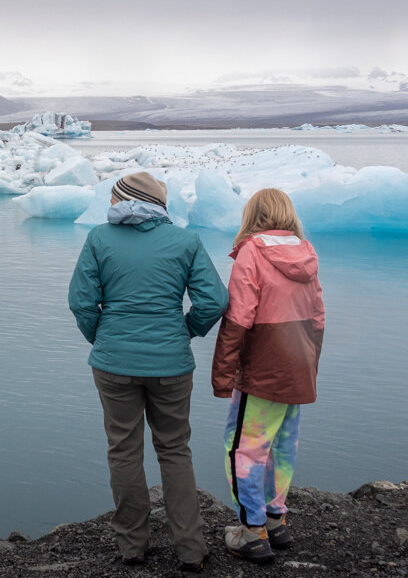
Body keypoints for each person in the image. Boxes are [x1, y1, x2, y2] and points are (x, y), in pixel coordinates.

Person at [69, 171, 228, 572]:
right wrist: (186, 330)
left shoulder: (99, 239)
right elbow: (214, 301)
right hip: (171, 363)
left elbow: (81, 302)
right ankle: (191, 549)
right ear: (158, 203)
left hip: (113, 363)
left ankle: (132, 547)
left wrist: (102, 339)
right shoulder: (186, 241)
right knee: (175, 450)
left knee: (123, 449)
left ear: (122, 201)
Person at [212, 188, 325, 564]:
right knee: (283, 445)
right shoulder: (306, 251)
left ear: (252, 215)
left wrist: (223, 374)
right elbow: (318, 317)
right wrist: (309, 365)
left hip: (263, 369)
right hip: (297, 367)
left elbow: (239, 317)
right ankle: (277, 521)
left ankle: (252, 532)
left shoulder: (252, 251)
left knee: (242, 447)